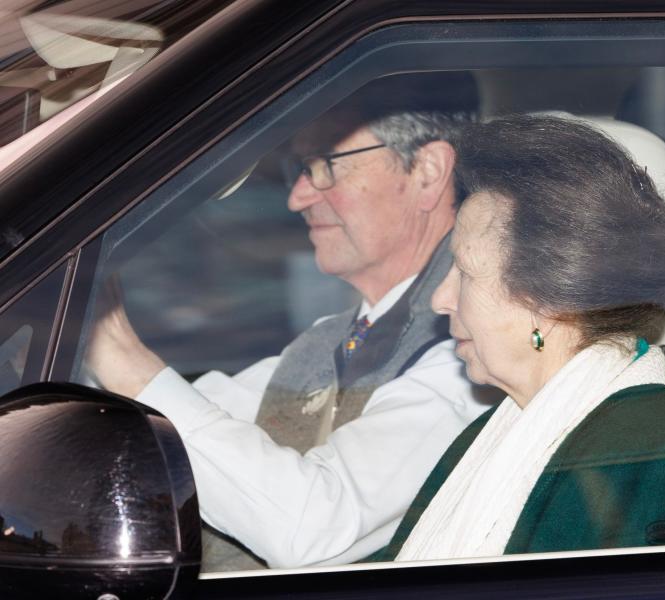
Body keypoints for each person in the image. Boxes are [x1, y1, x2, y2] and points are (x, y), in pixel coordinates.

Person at [86, 73, 493, 570]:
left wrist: (120, 353)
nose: (298, 197)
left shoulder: (469, 353)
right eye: (300, 168)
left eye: (325, 164)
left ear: (428, 172)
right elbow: (192, 419)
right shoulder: (333, 340)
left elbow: (314, 529)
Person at [375, 114, 665, 561]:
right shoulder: (500, 427)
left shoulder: (641, 464)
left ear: (546, 303)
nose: (440, 299)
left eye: (464, 273)